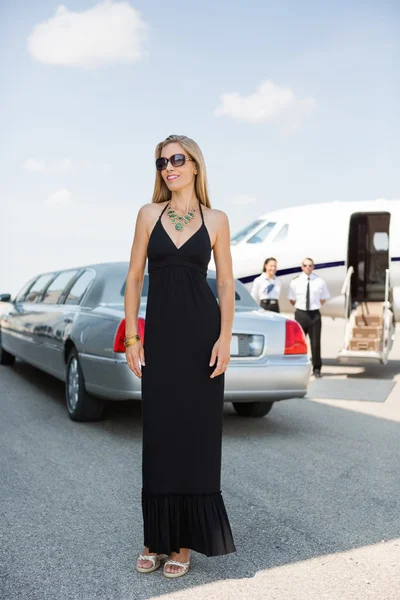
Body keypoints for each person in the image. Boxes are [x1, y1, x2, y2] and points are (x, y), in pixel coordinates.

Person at [124, 134, 236, 579]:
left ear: (194, 165)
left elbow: (226, 284)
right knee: (161, 433)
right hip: (164, 339)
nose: (168, 167)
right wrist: (133, 337)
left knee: (196, 437)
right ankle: (155, 537)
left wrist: (225, 336)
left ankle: (184, 543)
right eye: (160, 163)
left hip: (202, 336)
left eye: (176, 159)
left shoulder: (218, 219)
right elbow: (134, 277)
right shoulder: (148, 214)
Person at [288, 258, 330, 378]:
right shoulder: (295, 282)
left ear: (313, 267)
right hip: (301, 314)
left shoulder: (320, 281)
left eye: (310, 265)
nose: (308, 267)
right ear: (302, 267)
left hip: (314, 314)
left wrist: (314, 306)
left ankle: (317, 369)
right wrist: (301, 308)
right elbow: (292, 299)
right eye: (305, 265)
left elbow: (323, 298)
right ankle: (296, 368)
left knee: (315, 343)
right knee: (297, 342)